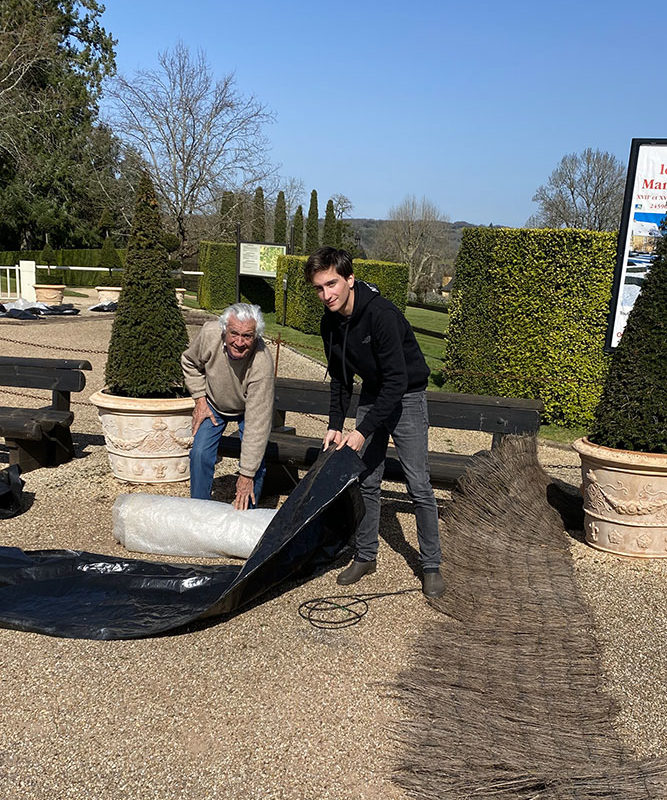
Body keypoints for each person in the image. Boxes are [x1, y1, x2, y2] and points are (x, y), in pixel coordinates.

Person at [304, 247, 444, 598]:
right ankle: (366, 555)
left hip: (407, 395)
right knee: (366, 479)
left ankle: (431, 565)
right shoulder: (329, 322)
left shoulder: (381, 314)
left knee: (418, 486)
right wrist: (336, 424)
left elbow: (397, 381)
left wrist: (362, 430)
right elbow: (339, 377)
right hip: (373, 394)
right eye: (319, 288)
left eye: (332, 284)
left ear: (350, 279)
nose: (327, 294)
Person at [181, 303, 274, 511]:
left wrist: (246, 474)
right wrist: (199, 398)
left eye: (247, 336)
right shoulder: (209, 334)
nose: (239, 342)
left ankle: (247, 518)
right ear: (224, 330)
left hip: (247, 410)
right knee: (200, 453)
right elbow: (189, 362)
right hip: (213, 403)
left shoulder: (262, 362)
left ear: (256, 336)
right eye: (234, 333)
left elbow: (257, 425)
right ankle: (198, 511)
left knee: (255, 465)